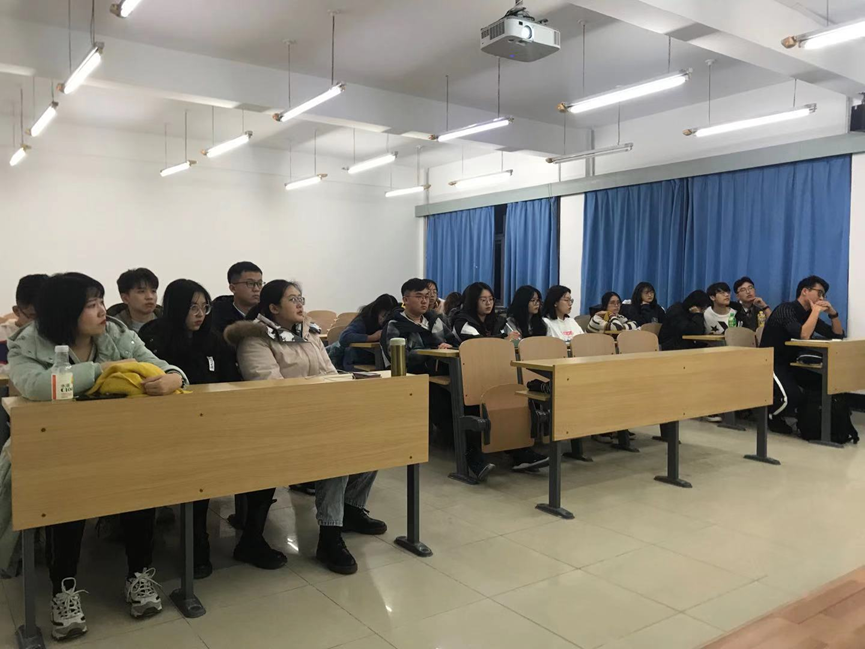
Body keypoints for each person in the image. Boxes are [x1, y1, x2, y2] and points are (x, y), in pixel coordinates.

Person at [7, 273, 188, 641]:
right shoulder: (30, 342)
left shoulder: (117, 333)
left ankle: (139, 575)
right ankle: (64, 591)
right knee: (65, 510)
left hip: (119, 442)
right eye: (91, 305)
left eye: (102, 301)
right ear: (65, 312)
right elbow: (37, 386)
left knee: (141, 496)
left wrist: (174, 377)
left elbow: (158, 364)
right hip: (57, 450)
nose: (103, 311)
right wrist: (102, 370)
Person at [225, 280, 386, 575]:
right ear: (273, 308)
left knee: (373, 438)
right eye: (292, 299)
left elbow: (329, 373)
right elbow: (270, 389)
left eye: (301, 298)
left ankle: (351, 510)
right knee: (336, 452)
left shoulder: (309, 333)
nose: (300, 304)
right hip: (278, 423)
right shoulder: (255, 339)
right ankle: (330, 536)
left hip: (318, 415)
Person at [139, 279, 242, 579]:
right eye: (192, 307)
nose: (200, 314)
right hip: (163, 426)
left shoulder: (213, 339)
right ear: (176, 308)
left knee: (204, 468)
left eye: (204, 307)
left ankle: (198, 535)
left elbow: (230, 381)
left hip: (209, 424)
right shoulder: (154, 337)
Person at [760, 275, 844, 434]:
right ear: (805, 291)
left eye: (824, 295)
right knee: (792, 396)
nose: (822, 298)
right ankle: (770, 416)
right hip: (770, 361)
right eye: (819, 293)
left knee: (822, 383)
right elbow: (803, 334)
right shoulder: (786, 309)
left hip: (792, 363)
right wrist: (816, 311)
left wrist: (833, 314)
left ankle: (810, 420)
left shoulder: (808, 314)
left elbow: (837, 335)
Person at [0, 274, 48, 376]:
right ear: (17, 311)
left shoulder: (58, 335)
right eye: (33, 316)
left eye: (46, 315)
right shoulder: (3, 335)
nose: (40, 322)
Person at [336, 294, 398, 372]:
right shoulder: (364, 320)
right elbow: (344, 337)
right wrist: (372, 337)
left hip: (378, 359)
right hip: (357, 361)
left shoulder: (393, 323)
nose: (385, 319)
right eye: (383, 315)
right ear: (376, 312)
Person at [211, 261, 264, 333]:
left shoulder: (268, 313)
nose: (256, 289)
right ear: (233, 288)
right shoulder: (215, 318)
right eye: (250, 283)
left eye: (259, 283)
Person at [111, 268, 161, 333]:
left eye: (153, 291)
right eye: (142, 292)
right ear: (125, 298)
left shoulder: (168, 323)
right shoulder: (112, 328)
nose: (150, 297)